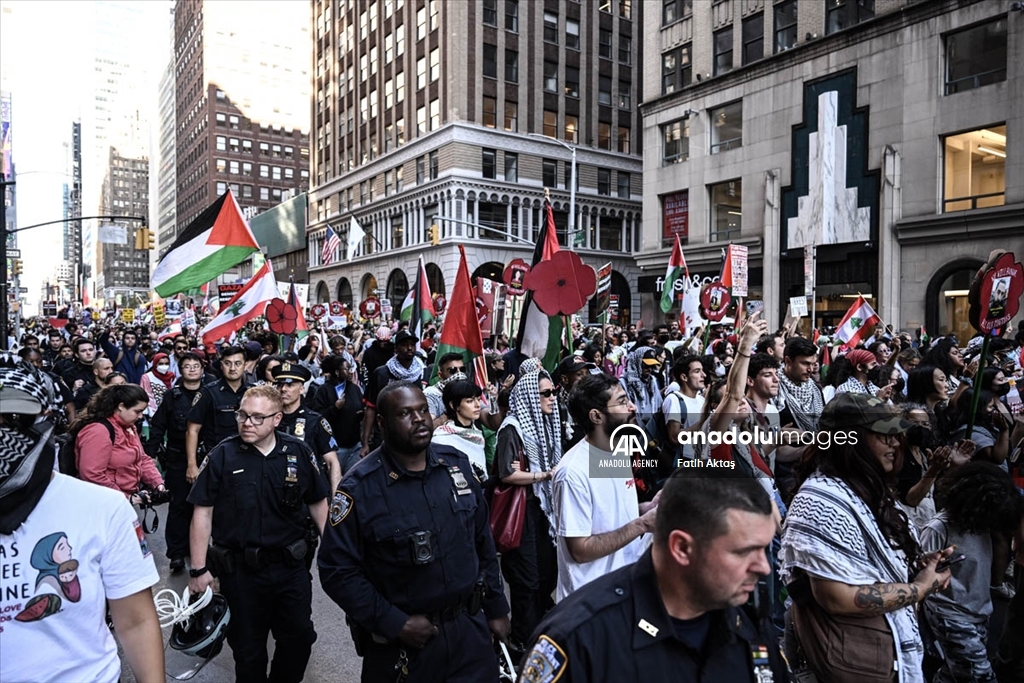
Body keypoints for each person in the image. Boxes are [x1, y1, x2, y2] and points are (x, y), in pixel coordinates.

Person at [318, 381, 511, 682]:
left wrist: (496, 606)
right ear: (382, 423)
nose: (419, 419)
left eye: (423, 410)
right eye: (405, 413)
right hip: (404, 646)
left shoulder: (456, 467)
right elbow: (336, 570)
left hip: (468, 632)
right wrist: (395, 622)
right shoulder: (360, 487)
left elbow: (482, 541)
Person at [518, 468, 787, 683]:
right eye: (744, 552)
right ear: (682, 548)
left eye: (764, 549)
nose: (763, 567)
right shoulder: (580, 640)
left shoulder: (749, 618)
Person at [0, 367, 164, 683]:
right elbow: (93, 471)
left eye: (11, 422)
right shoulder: (98, 433)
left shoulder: (100, 509)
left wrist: (152, 486)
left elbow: (136, 622)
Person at [780, 393, 955, 683]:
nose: (895, 443)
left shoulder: (865, 488)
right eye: (883, 436)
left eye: (895, 436)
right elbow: (836, 598)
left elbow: (870, 562)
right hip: (856, 661)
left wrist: (914, 565)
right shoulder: (821, 501)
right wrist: (919, 588)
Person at [188, 385, 329, 683]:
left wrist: (333, 547)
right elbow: (203, 513)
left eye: (256, 417)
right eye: (242, 415)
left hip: (290, 569)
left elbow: (318, 501)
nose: (246, 423)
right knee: (248, 651)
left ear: (277, 419)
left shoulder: (298, 452)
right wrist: (199, 570)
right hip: (241, 573)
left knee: (299, 638)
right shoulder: (222, 455)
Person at [554, 373, 657, 602]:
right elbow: (580, 550)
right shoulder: (573, 472)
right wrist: (643, 524)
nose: (632, 407)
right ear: (596, 416)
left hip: (625, 588)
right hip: (591, 604)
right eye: (621, 402)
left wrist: (649, 506)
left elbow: (611, 514)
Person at [921, 462, 1020, 683]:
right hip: (951, 615)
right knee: (981, 676)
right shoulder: (938, 529)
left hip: (979, 611)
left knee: (957, 671)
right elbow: (922, 575)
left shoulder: (981, 524)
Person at [494, 370, 562, 647]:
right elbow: (507, 475)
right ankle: (523, 642)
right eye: (545, 393)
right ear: (530, 398)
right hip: (522, 513)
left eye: (553, 391)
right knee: (528, 581)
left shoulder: (545, 423)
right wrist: (545, 475)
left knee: (547, 576)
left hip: (543, 511)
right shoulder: (513, 427)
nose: (552, 398)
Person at [146, 351, 205, 573]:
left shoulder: (209, 394)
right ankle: (177, 552)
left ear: (202, 369)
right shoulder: (173, 396)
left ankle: (199, 548)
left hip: (205, 457)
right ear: (181, 370)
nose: (191, 369)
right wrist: (150, 452)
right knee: (179, 505)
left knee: (203, 505)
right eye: (187, 366)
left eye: (196, 365)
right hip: (178, 457)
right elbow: (159, 425)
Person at [73, 384, 166, 501]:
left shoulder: (129, 427)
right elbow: (91, 474)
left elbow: (141, 459)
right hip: (101, 501)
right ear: (121, 406)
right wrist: (125, 498)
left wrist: (157, 483)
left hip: (122, 500)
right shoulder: (98, 431)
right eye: (137, 411)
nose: (141, 416)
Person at [185, 345, 253, 485]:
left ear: (245, 365)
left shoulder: (254, 393)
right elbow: (192, 430)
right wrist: (192, 465)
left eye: (237, 363)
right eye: (228, 363)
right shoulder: (208, 392)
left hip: (249, 457)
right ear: (221, 365)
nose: (232, 368)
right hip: (216, 458)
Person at [361, 329, 424, 455]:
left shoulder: (422, 373)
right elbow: (371, 408)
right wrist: (365, 443)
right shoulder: (381, 374)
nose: (409, 348)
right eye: (404, 344)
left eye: (412, 344)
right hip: (385, 437)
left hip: (413, 435)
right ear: (396, 349)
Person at [307, 353, 364, 477]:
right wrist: (335, 408)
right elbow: (318, 417)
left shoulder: (354, 388)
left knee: (352, 480)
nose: (350, 371)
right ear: (337, 372)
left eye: (351, 368)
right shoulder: (324, 390)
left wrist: (360, 413)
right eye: (347, 369)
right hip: (335, 448)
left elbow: (361, 408)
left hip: (355, 446)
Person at [432, 378, 487, 477]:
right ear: (454, 405)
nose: (478, 405)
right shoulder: (441, 438)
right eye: (470, 401)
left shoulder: (476, 432)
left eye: (478, 399)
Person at [662, 353, 706, 462]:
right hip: (686, 462)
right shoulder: (674, 399)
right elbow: (674, 437)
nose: (703, 375)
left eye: (702, 370)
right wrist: (703, 422)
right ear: (684, 377)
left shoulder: (702, 400)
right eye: (697, 371)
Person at [555, 354, 596, 451]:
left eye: (587, 373)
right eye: (580, 374)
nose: (586, 378)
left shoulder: (592, 401)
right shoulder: (555, 404)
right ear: (565, 379)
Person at [424, 352, 466, 426]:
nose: (459, 374)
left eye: (462, 369)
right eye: (452, 370)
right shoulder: (430, 394)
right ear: (440, 375)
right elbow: (427, 427)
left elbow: (486, 416)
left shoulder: (468, 391)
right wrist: (451, 412)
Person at [139, 351, 174, 417]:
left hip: (167, 412)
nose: (164, 366)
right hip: (150, 412)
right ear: (155, 364)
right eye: (161, 364)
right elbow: (144, 394)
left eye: (166, 363)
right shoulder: (147, 377)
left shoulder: (171, 376)